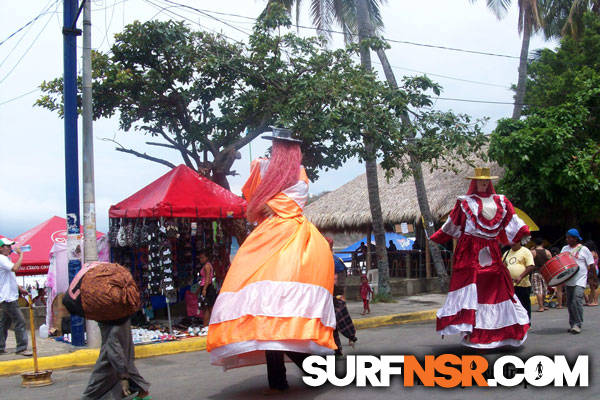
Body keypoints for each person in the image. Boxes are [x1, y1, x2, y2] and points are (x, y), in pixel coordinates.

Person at [207, 127, 335, 393]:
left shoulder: (289, 174)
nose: (278, 151)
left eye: (279, 146)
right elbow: (257, 201)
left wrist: (267, 195)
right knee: (267, 318)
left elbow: (263, 203)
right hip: (277, 240)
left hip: (285, 242)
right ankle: (284, 377)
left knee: (276, 314)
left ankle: (306, 372)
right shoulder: (284, 172)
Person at [430, 167, 531, 348]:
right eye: (480, 180)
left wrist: (522, 232)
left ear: (489, 182)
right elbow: (453, 223)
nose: (483, 183)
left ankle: (500, 332)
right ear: (474, 182)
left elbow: (512, 220)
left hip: (491, 250)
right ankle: (473, 332)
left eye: (486, 180)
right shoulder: (465, 202)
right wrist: (439, 236)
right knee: (471, 290)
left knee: (497, 288)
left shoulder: (501, 201)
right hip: (470, 250)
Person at [82, 319, 151, 400]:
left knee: (111, 359)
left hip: (112, 318)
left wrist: (124, 377)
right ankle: (140, 389)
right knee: (121, 355)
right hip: (118, 317)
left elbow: (114, 347)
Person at [0, 238, 31, 356]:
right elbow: (15, 268)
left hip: (7, 295)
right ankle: (22, 348)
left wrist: (19, 288)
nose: (10, 248)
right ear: (1, 248)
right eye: (7, 246)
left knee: (4, 323)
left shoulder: (5, 259)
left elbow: (8, 278)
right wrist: (21, 255)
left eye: (10, 246)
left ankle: (0, 347)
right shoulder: (2, 259)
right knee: (20, 321)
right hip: (8, 297)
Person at [561, 229, 595, 334]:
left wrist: (594, 279)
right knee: (570, 303)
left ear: (575, 238)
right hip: (569, 279)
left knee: (577, 299)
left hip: (580, 279)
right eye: (566, 237)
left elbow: (592, 265)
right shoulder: (565, 249)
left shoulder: (583, 249)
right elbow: (561, 263)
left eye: (569, 237)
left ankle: (578, 324)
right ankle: (572, 324)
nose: (567, 239)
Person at [503, 241, 535, 320]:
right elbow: (503, 267)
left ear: (519, 242)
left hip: (523, 284)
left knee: (524, 304)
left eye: (515, 242)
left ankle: (527, 321)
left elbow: (530, 266)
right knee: (513, 306)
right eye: (511, 242)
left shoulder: (526, 251)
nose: (513, 244)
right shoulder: (507, 253)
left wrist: (520, 277)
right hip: (510, 285)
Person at [195, 252, 217, 329]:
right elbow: (203, 279)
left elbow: (208, 278)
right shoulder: (205, 266)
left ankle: (214, 324)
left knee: (210, 307)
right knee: (206, 308)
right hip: (205, 287)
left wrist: (204, 289)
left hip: (207, 288)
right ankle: (206, 326)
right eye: (200, 258)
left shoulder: (207, 266)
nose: (201, 259)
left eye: (202, 258)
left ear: (206, 258)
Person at [530, 238, 551, 312]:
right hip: (544, 272)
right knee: (544, 288)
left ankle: (541, 306)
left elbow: (530, 262)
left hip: (535, 272)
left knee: (538, 290)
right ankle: (545, 305)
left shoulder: (533, 252)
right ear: (542, 243)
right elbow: (550, 262)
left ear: (535, 244)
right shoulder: (547, 252)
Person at [583, 240, 599, 306]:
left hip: (592, 270)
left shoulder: (591, 253)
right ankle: (590, 301)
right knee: (591, 287)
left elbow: (590, 264)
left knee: (593, 287)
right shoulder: (595, 252)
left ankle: (595, 301)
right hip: (594, 269)